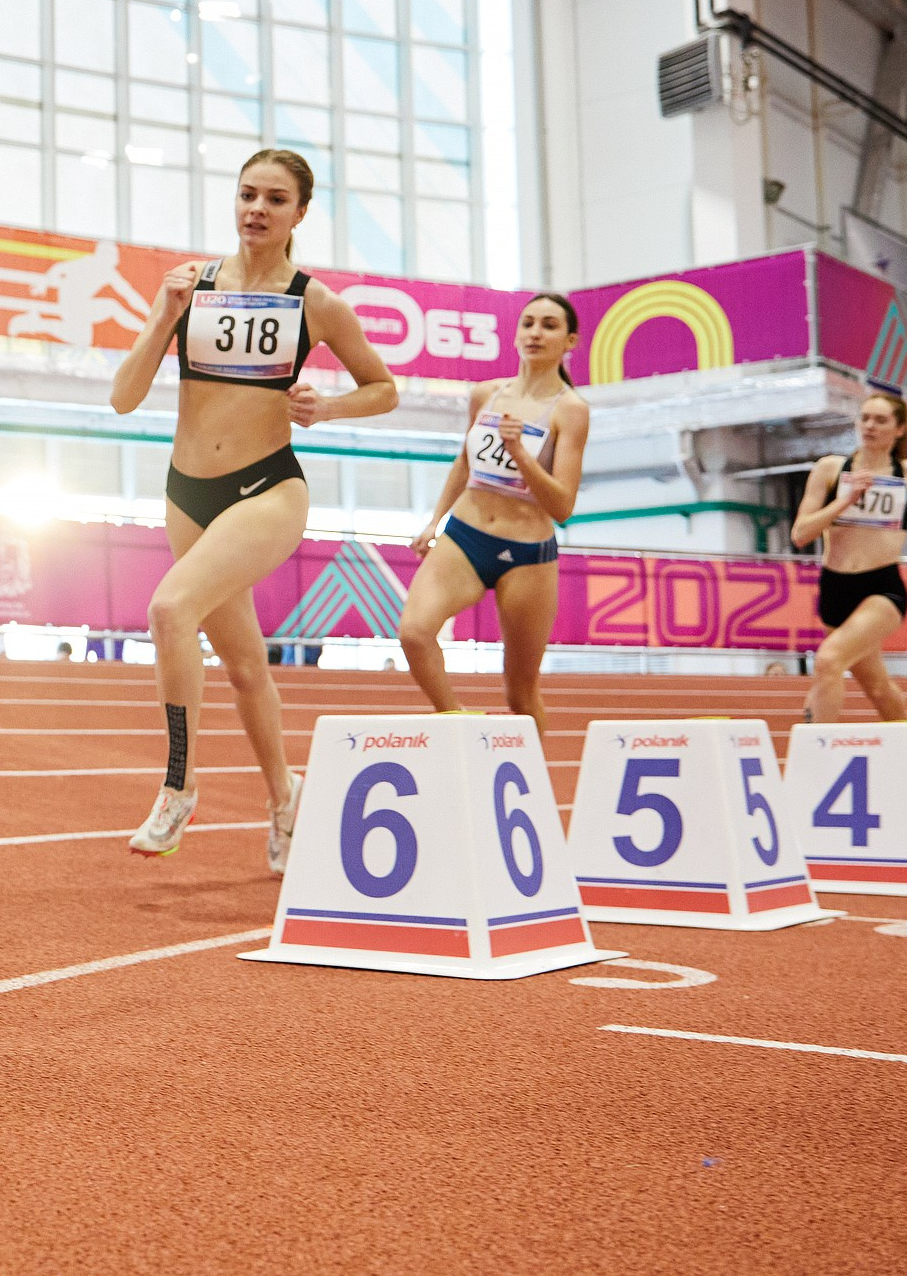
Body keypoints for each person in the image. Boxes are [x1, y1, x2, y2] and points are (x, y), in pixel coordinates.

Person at [112, 149, 395, 873]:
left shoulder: (314, 301)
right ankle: (285, 797)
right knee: (244, 668)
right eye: (247, 195)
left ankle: (179, 785)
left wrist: (326, 407)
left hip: (267, 487)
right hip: (188, 493)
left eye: (275, 198)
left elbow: (383, 387)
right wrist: (163, 317)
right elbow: (123, 395)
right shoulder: (191, 286)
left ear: (301, 212)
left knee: (170, 610)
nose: (257, 209)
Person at [397, 293, 589, 727]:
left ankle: (534, 787)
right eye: (528, 323)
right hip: (466, 535)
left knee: (520, 692)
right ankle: (456, 720)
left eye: (549, 325)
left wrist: (520, 453)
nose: (536, 333)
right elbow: (465, 461)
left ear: (570, 340)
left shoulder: (571, 411)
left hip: (526, 554)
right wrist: (434, 521)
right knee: (414, 633)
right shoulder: (485, 393)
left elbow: (563, 505)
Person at [789, 393, 907, 722]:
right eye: (865, 418)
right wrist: (845, 501)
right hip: (834, 588)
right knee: (878, 688)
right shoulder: (831, 469)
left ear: (899, 429)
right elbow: (801, 533)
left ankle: (819, 752)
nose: (870, 426)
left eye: (880, 420)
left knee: (828, 661)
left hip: (881, 588)